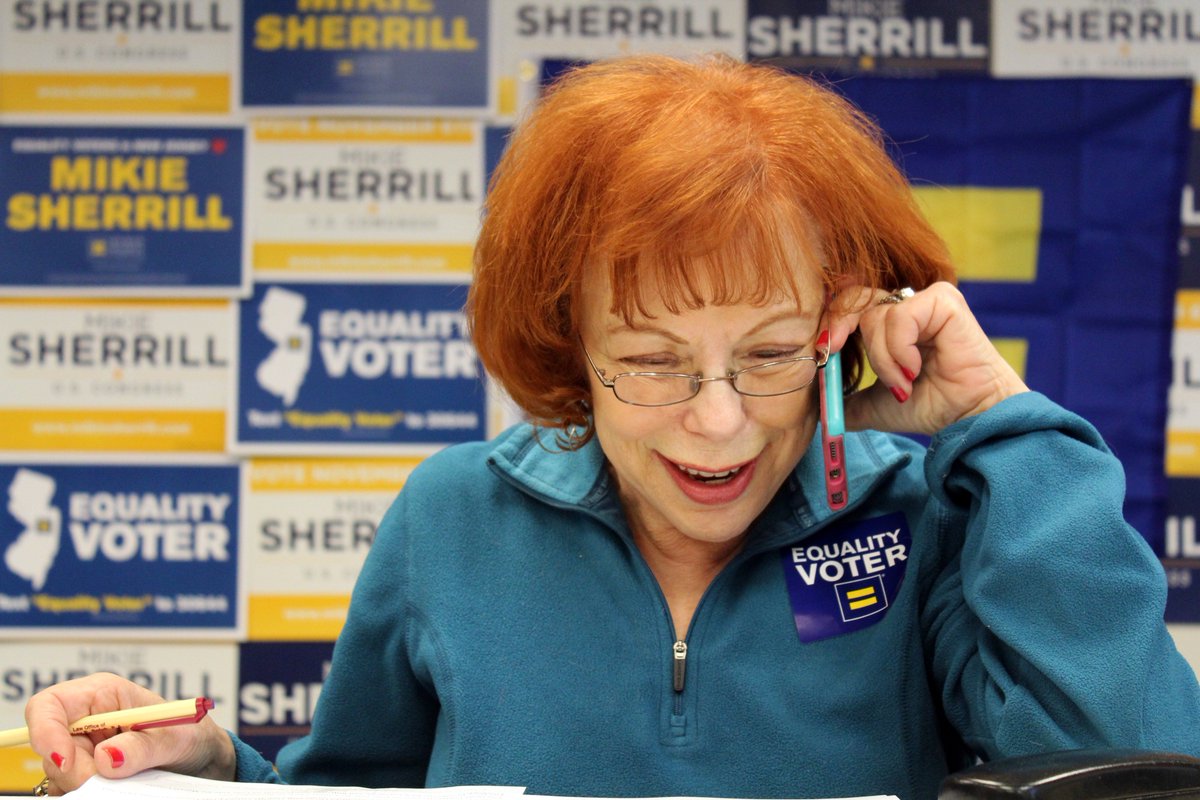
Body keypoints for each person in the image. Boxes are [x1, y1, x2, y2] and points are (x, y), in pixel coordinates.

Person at [23, 54, 1200, 800]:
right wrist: (213, 768)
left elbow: (1135, 765)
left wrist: (999, 422)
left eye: (774, 352)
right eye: (651, 362)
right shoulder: (451, 517)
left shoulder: (927, 513)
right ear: (570, 347)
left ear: (845, 330)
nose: (722, 419)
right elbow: (353, 797)